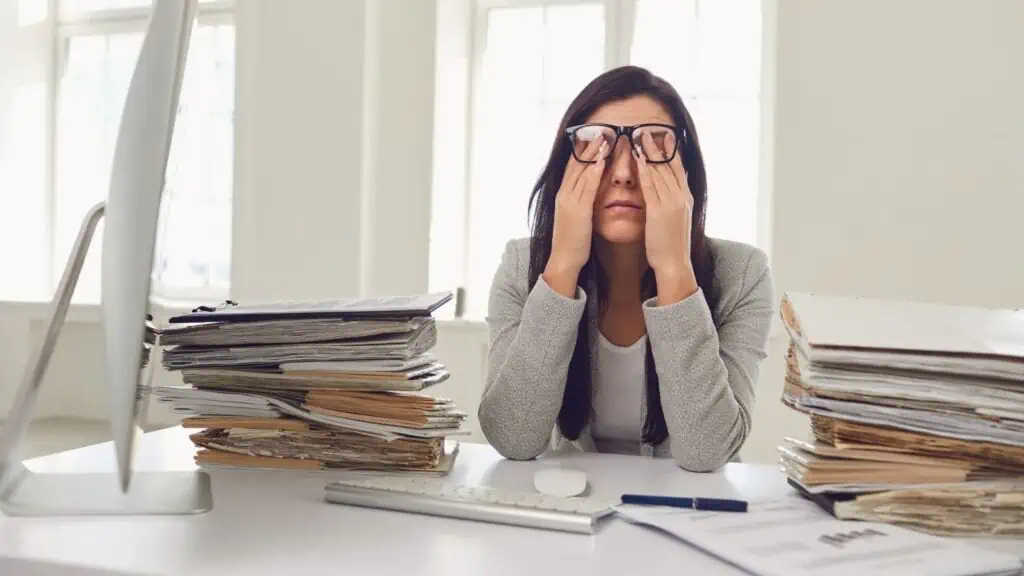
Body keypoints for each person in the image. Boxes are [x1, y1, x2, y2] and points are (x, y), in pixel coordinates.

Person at [477, 66, 774, 472]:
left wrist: (673, 268)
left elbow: (707, 453)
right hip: (571, 516)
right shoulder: (520, 266)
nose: (622, 174)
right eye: (596, 145)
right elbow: (513, 437)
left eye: (652, 147)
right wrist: (563, 265)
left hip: (690, 518)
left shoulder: (743, 274)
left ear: (686, 172)